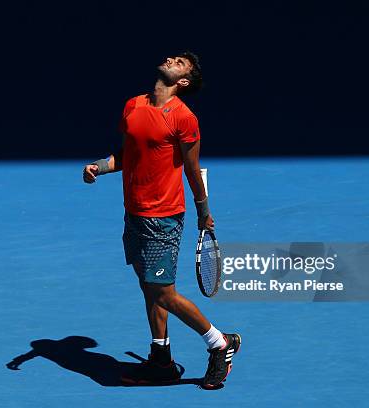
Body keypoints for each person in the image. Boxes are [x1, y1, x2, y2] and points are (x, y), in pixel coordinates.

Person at [82, 51, 240, 389]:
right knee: (149, 288)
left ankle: (220, 344)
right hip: (135, 212)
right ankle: (161, 359)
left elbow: (193, 169)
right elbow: (129, 155)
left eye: (180, 63)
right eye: (174, 57)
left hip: (164, 216)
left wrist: (203, 211)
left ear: (183, 82)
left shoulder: (184, 118)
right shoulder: (132, 106)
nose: (172, 60)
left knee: (162, 292)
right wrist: (101, 166)